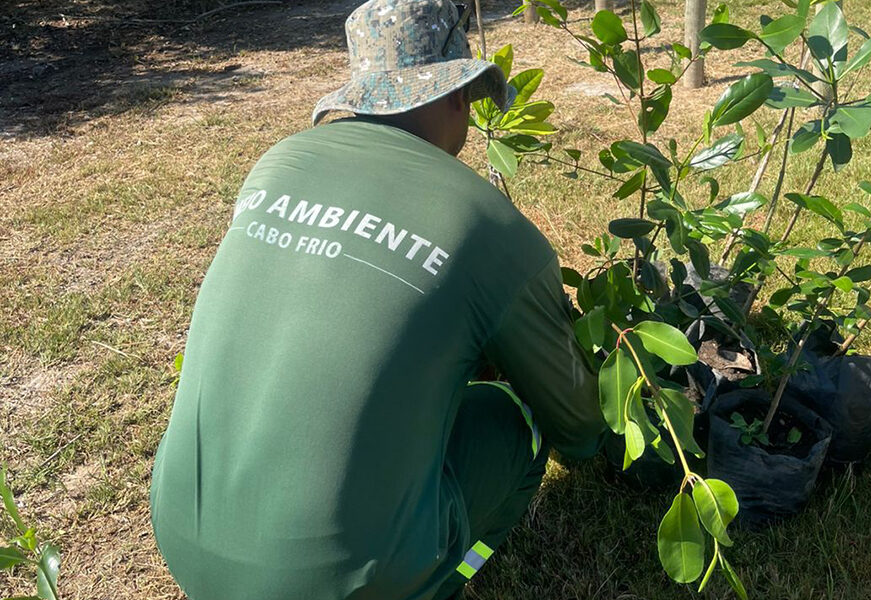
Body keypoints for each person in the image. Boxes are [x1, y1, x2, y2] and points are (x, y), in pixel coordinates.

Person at [149, 0, 605, 598]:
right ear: (455, 95)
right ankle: (445, 577)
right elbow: (579, 428)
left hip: (180, 537)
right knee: (518, 421)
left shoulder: (277, 163)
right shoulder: (488, 224)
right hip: (340, 583)